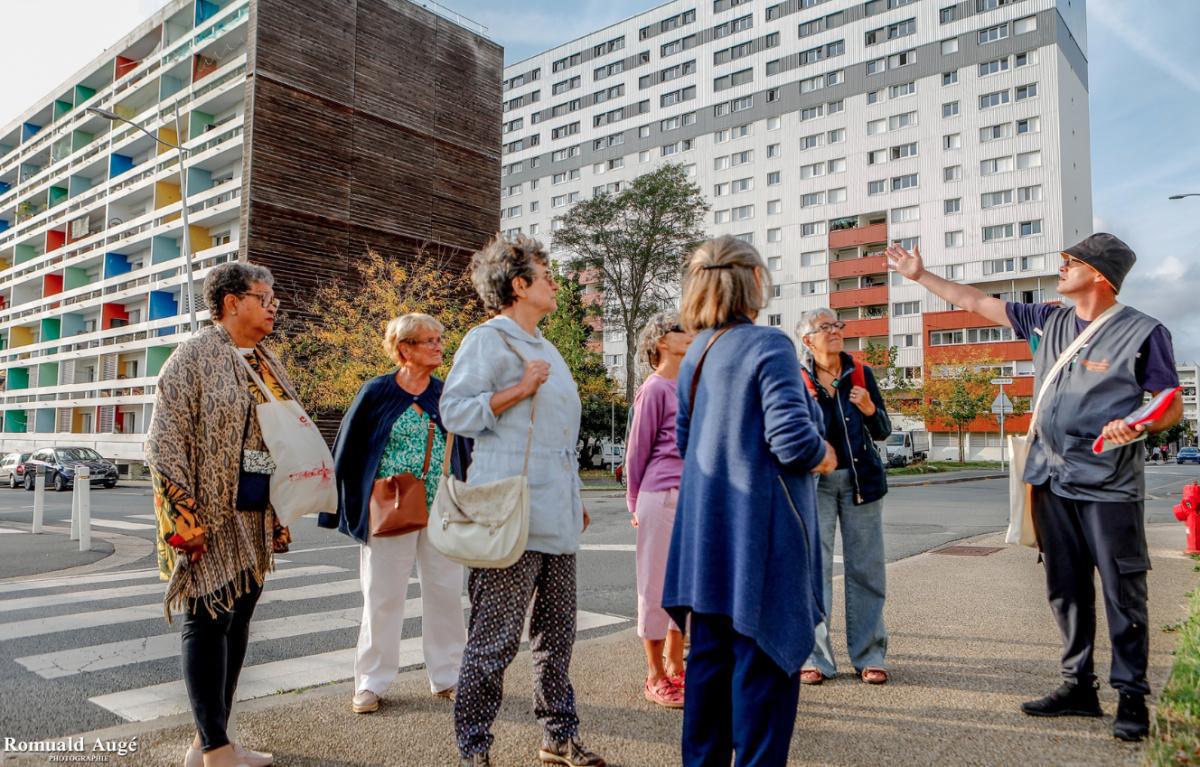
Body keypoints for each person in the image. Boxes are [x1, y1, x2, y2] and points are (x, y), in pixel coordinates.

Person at [887, 233, 1181, 742]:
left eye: (1072, 261)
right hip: (1050, 477)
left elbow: (1169, 402)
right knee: (1065, 588)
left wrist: (1139, 424)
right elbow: (976, 302)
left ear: (1100, 275)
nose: (1061, 266)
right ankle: (1079, 687)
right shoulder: (1049, 318)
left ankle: (1131, 696)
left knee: (1121, 590)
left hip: (1109, 485)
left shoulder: (1143, 332)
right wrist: (919, 277)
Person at [663, 235, 837, 766]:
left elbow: (684, 441)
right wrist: (825, 451)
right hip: (761, 537)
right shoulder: (770, 345)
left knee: (710, 676)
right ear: (754, 281)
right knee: (763, 684)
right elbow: (792, 442)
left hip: (707, 539)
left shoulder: (697, 352)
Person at [441, 234, 605, 767]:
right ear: (519, 284)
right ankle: (474, 749)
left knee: (558, 635)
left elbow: (559, 436)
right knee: (494, 641)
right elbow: (454, 412)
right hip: (508, 514)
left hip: (554, 512)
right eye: (546, 274)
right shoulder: (488, 340)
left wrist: (574, 494)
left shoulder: (547, 345)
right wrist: (517, 390)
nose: (555, 283)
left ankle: (558, 734)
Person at [146, 262, 297, 767]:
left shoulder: (265, 361)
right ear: (232, 302)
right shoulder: (190, 358)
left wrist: (276, 508)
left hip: (251, 517)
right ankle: (215, 751)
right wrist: (184, 516)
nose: (273, 305)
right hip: (205, 519)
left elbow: (269, 440)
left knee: (237, 625)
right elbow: (163, 445)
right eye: (265, 296)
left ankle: (208, 740)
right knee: (207, 624)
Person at [319, 313, 468, 714]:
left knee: (446, 592)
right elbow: (348, 450)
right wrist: (337, 506)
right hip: (391, 503)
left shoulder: (446, 392)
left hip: (440, 504)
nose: (439, 346)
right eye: (430, 341)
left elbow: (466, 446)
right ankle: (370, 683)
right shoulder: (376, 392)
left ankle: (449, 675)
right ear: (404, 349)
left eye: (440, 339)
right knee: (382, 596)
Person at [795, 308, 892, 686]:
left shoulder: (861, 372)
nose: (835, 331)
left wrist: (869, 408)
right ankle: (815, 658)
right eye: (826, 327)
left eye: (838, 325)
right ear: (808, 340)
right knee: (814, 573)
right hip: (814, 486)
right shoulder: (796, 378)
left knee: (866, 570)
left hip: (861, 483)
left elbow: (882, 429)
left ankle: (870, 655)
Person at [625, 312, 694, 708]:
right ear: (662, 342)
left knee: (685, 589)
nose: (691, 335)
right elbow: (637, 453)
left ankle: (675, 665)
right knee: (655, 587)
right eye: (682, 330)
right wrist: (634, 502)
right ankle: (654, 675)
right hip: (660, 494)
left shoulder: (692, 386)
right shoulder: (654, 389)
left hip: (693, 498)